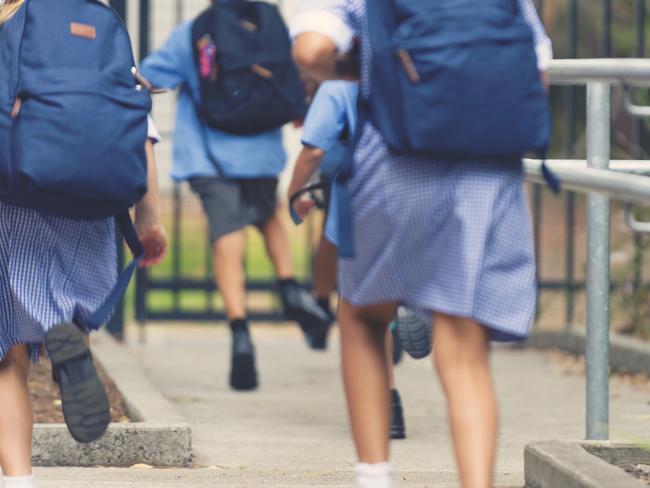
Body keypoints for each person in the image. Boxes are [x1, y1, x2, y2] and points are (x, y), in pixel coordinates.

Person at [291, 1, 552, 486]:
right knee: (464, 345)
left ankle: (375, 476)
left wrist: (350, 73)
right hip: (486, 170)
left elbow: (310, 48)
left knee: (364, 315)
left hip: (395, 161)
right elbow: (537, 71)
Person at [0, 4, 168, 488]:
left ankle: (18, 480)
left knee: (7, 356)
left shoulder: (9, 23)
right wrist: (148, 220)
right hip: (92, 199)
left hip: (16, 192)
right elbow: (142, 132)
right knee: (72, 310)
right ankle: (71, 343)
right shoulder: (100, 26)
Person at [140, 1, 331, 393]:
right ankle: (289, 286)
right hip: (260, 151)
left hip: (209, 156)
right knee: (269, 214)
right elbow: (299, 78)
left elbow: (149, 77)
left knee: (227, 234)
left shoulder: (195, 31)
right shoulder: (272, 26)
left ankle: (240, 331)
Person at [289, 79, 407, 439]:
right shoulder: (414, 65)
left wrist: (295, 192)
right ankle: (416, 306)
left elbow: (313, 151)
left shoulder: (338, 86)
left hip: (364, 194)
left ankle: (387, 407)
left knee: (362, 306)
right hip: (424, 183)